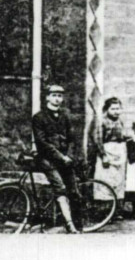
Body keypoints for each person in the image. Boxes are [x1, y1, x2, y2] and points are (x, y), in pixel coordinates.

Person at [32, 84, 85, 233]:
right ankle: (69, 225)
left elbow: (72, 139)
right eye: (54, 95)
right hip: (47, 159)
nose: (57, 99)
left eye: (60, 96)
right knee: (60, 188)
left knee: (74, 191)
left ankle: (78, 226)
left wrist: (69, 155)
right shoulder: (39, 117)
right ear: (47, 97)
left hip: (65, 159)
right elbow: (42, 143)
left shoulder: (65, 116)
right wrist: (61, 157)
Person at [93, 97, 129, 218]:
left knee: (119, 181)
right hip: (107, 152)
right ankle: (104, 212)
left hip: (119, 152)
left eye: (118, 109)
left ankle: (117, 211)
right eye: (113, 109)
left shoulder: (120, 121)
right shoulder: (101, 121)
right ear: (107, 109)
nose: (116, 111)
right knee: (106, 181)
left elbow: (122, 136)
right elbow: (98, 139)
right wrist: (103, 156)